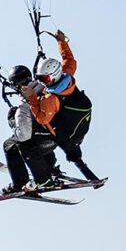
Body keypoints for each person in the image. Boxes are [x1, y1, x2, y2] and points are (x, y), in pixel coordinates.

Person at [18, 30, 99, 181]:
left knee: (27, 142)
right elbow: (68, 58)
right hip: (76, 129)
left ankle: (44, 174)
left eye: (46, 78)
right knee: (71, 151)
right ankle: (77, 169)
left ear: (53, 75)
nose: (43, 82)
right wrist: (61, 42)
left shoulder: (51, 98)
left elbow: (42, 119)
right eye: (41, 78)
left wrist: (31, 97)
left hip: (64, 133)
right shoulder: (67, 75)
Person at [2, 65, 61, 194]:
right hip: (56, 139)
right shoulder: (47, 89)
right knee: (39, 130)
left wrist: (13, 122)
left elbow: (23, 136)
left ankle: (20, 183)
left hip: (40, 145)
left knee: (10, 145)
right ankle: (50, 168)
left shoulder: (24, 108)